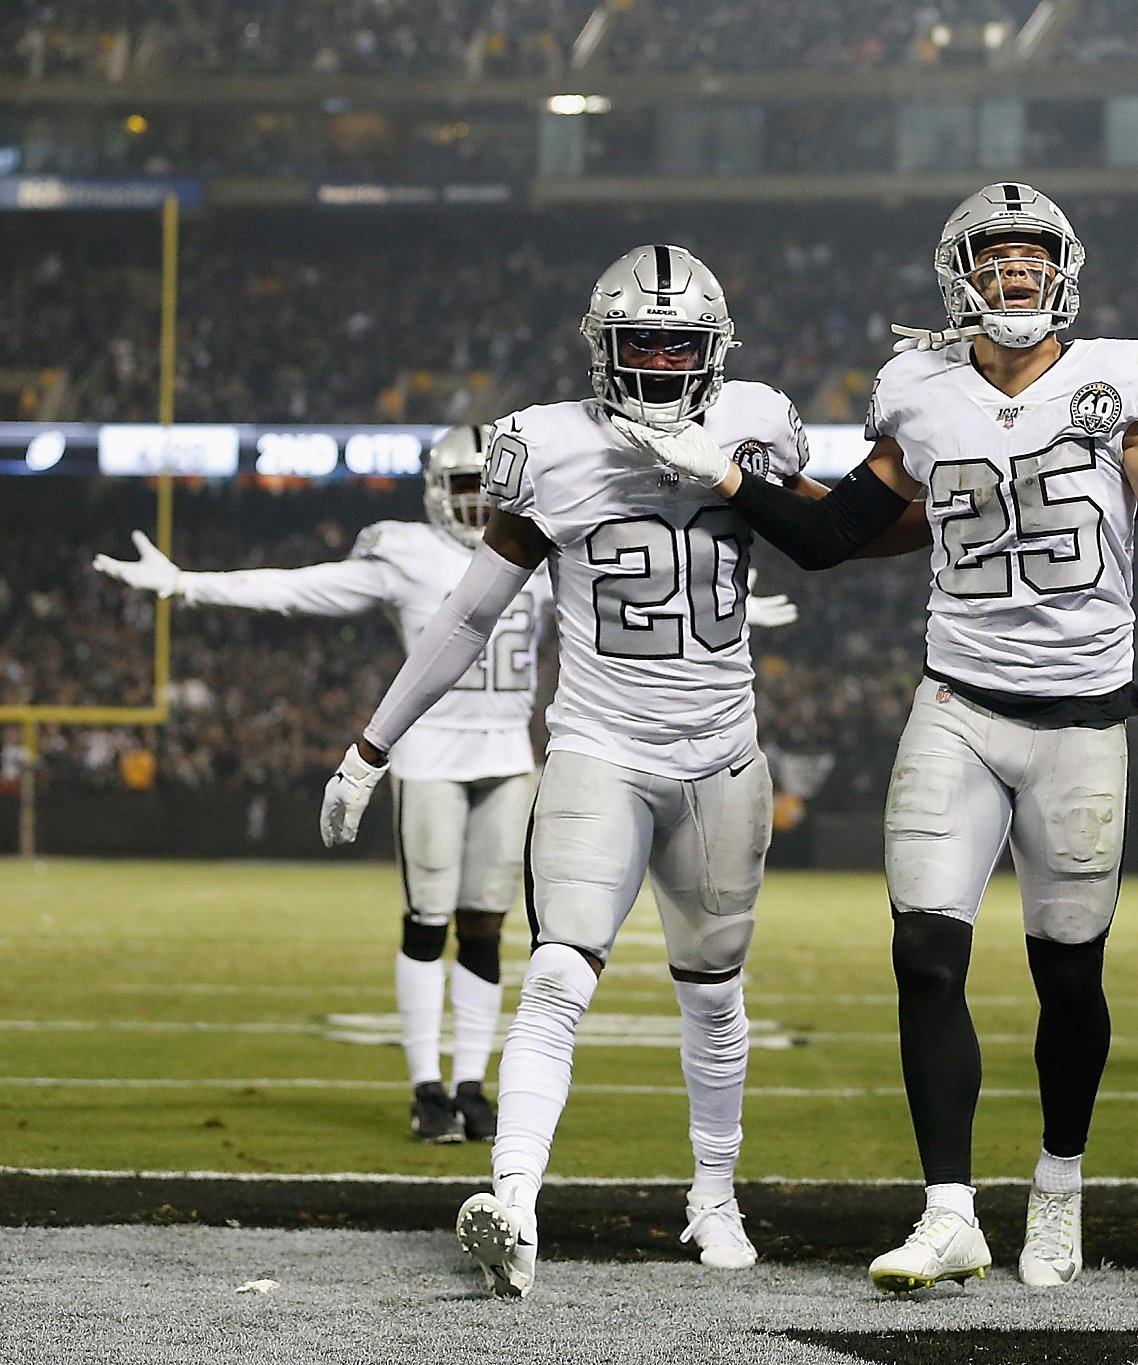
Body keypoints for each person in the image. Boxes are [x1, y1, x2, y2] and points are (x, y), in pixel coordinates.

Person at [629, 183, 1138, 1293]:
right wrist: (731, 478)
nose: (1014, 277)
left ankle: (1056, 1192)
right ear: (957, 276)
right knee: (923, 950)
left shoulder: (1118, 376)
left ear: (1060, 271)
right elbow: (831, 536)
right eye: (995, 260)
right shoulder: (915, 388)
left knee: (1067, 978)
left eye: (1029, 260)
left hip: (1078, 723)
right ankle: (949, 1211)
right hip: (955, 705)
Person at [319, 245, 812, 1298]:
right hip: (599, 749)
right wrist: (373, 745)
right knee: (553, 973)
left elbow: (824, 529)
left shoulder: (755, 423)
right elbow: (467, 616)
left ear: (715, 351)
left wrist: (739, 478)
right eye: (644, 343)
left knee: (713, 995)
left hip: (723, 757)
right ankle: (513, 1201)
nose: (664, 364)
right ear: (604, 348)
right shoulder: (546, 445)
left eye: (683, 343)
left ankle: (714, 1195)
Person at [94, 425, 552, 1145]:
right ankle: (427, 1088)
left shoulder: (540, 543)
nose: (478, 506)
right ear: (437, 492)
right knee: (428, 922)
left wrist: (725, 602)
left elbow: (617, 594)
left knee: (488, 929)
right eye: (466, 488)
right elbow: (301, 589)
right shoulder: (408, 553)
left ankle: (471, 1083)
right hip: (430, 755)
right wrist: (188, 585)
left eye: (489, 491)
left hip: (508, 758)